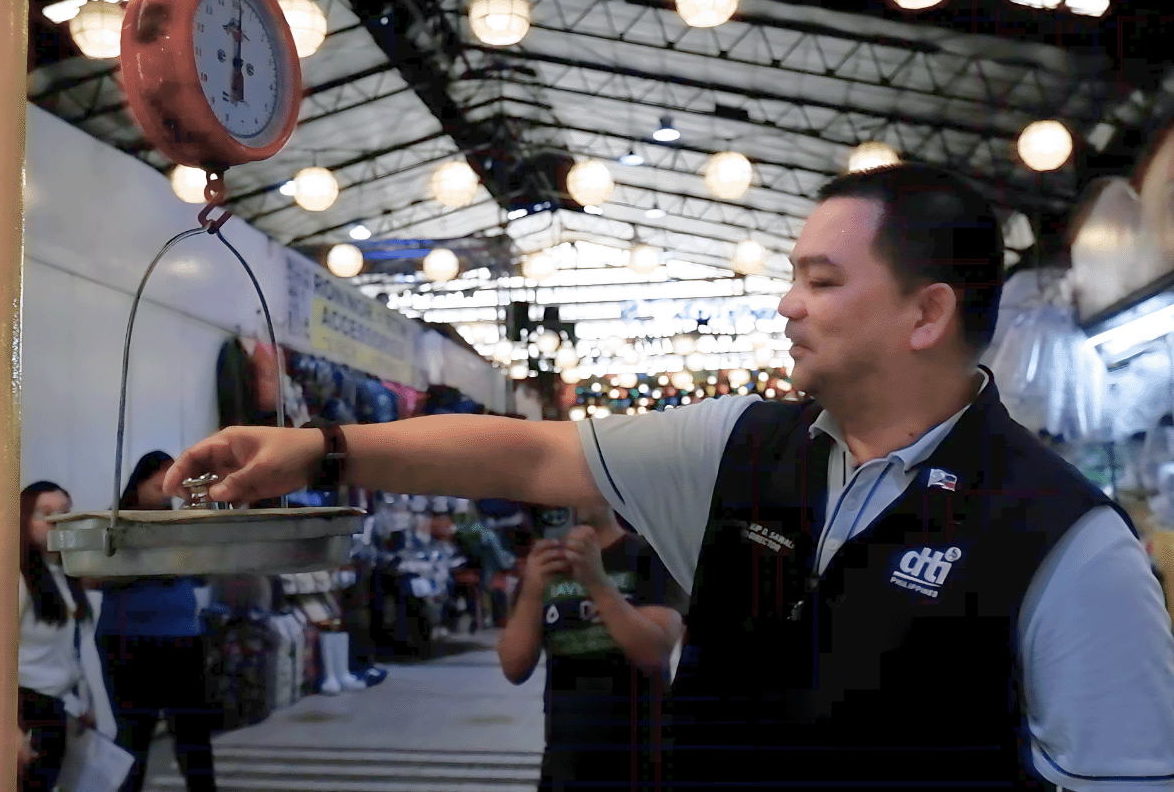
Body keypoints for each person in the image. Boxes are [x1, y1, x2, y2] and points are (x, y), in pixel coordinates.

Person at [162, 163, 1174, 790]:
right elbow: (533, 453)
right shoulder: (743, 446)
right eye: (792, 276)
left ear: (925, 315)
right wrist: (323, 450)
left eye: (821, 281)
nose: (787, 305)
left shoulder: (1064, 540)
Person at [498, 506, 687, 791]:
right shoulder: (545, 565)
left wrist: (596, 581)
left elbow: (653, 654)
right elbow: (514, 667)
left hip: (645, 756)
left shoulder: (651, 555)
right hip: (566, 760)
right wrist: (532, 592)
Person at [95, 451, 218, 792]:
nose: (165, 492)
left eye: (171, 485)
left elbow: (203, 577)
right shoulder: (115, 522)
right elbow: (92, 578)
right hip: (128, 639)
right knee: (134, 733)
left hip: (181, 637)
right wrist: (153, 566)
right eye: (158, 484)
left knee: (192, 731)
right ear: (138, 483)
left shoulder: (180, 523)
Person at [16, 481, 104, 792]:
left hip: (61, 704)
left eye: (65, 513)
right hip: (27, 706)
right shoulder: (19, 580)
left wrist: (84, 703)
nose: (57, 521)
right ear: (24, 519)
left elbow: (71, 650)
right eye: (45, 513)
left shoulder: (65, 574)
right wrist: (10, 731)